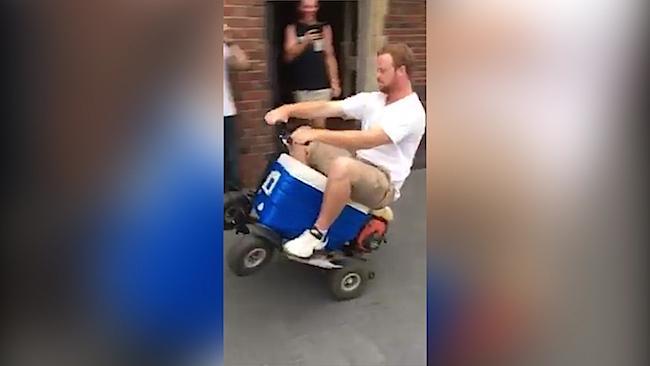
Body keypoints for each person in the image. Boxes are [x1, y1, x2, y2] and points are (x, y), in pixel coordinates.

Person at [265, 43, 425, 258]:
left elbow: (369, 140)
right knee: (301, 139)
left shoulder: (411, 112)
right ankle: (299, 211)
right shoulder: (374, 100)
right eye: (376, 69)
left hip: (383, 181)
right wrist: (288, 109)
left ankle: (317, 233)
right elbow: (328, 107)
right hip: (358, 163)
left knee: (342, 166)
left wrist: (317, 133)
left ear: (402, 71)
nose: (377, 75)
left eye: (382, 70)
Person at [283, 0, 341, 129]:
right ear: (300, 8)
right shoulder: (292, 28)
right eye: (307, 7)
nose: (310, 10)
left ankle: (318, 149)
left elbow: (329, 55)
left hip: (322, 84)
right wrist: (305, 41)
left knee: (319, 125)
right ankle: (306, 149)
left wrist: (335, 83)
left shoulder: (324, 27)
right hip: (301, 84)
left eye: (313, 6)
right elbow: (288, 56)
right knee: (304, 125)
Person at [224, 24, 251, 191]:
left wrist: (230, 42)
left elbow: (243, 64)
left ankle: (231, 207)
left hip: (224, 111)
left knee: (230, 160)